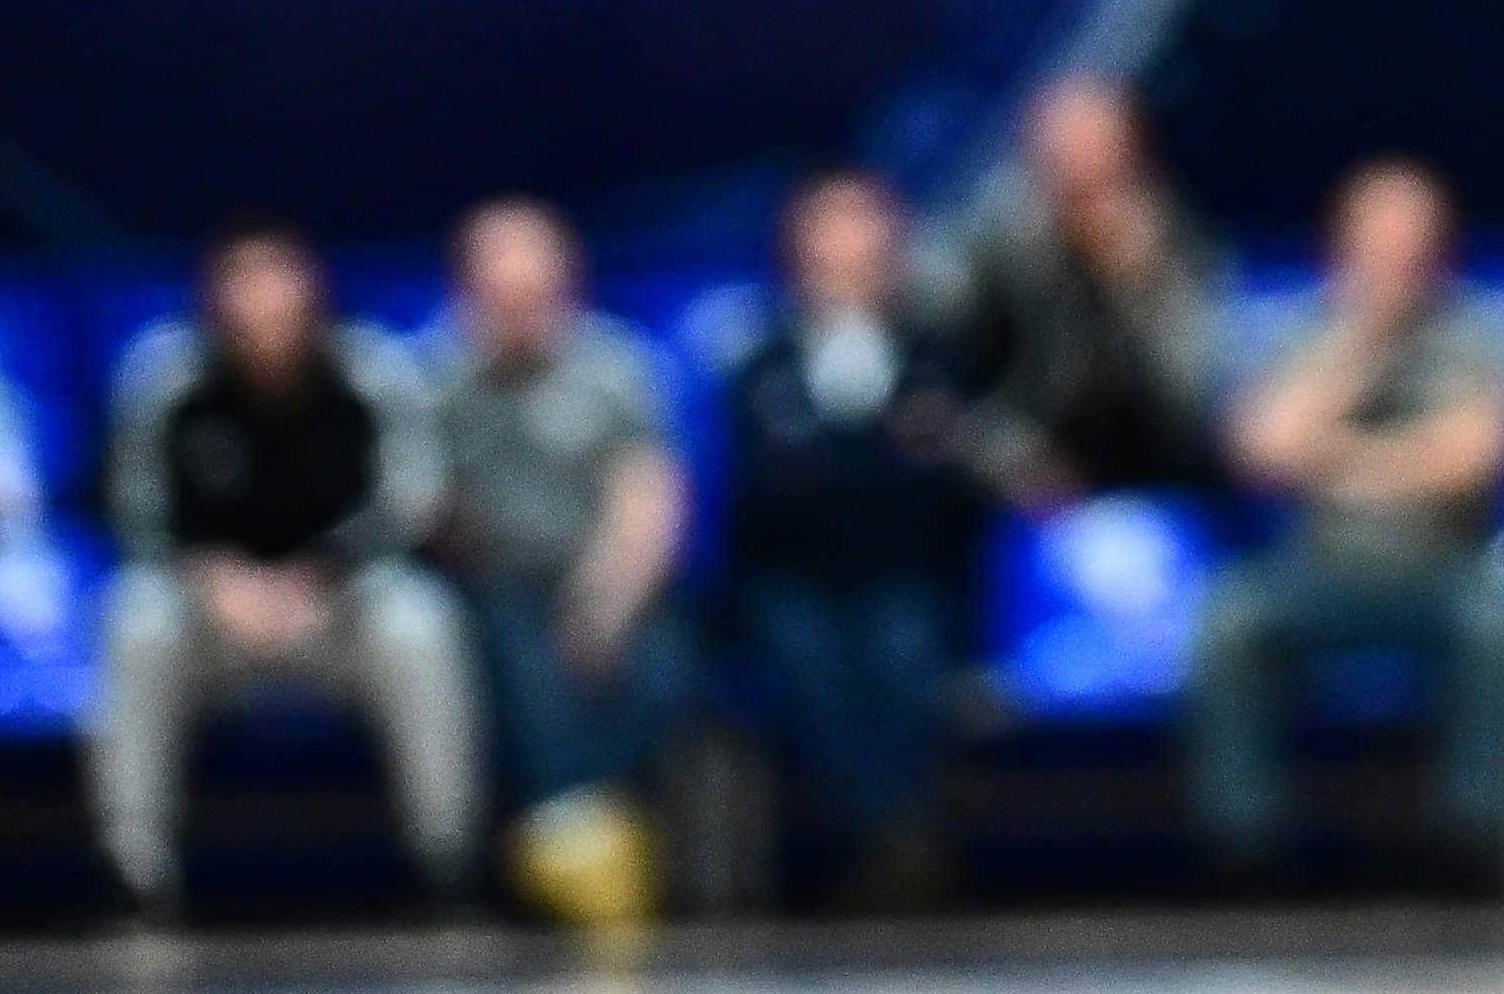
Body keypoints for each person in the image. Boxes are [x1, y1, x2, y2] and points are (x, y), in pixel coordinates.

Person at [92, 220, 482, 922]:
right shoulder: (166, 376)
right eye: (243, 279)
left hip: (337, 609)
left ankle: (445, 868)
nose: (264, 299)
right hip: (211, 616)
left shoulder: (370, 369)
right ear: (211, 298)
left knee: (420, 620)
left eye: (280, 276)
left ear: (314, 290)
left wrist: (325, 572)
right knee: (136, 618)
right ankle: (135, 879)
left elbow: (411, 499)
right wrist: (209, 575)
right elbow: (135, 511)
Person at [1192, 158, 1504, 885]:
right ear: (1340, 246)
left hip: (1445, 565)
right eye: (1376, 244)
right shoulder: (1300, 330)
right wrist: (1360, 343)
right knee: (1230, 620)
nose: (1394, 262)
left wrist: (1338, 462)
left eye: (1412, 245)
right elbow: (1260, 451)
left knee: (1501, 621)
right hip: (1317, 568)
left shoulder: (1479, 332)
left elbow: (1473, 460)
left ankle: (1469, 844)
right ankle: (1247, 851)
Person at [717, 169, 981, 910]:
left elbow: (947, 495)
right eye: (826, 233)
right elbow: (761, 502)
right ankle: (896, 839)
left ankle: (891, 844)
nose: (844, 250)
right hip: (793, 581)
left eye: (861, 230)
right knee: (811, 658)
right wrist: (876, 454)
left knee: (904, 650)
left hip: (908, 573)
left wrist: (845, 463)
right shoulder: (762, 362)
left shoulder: (934, 356)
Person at [424, 199, 691, 927]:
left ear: (565, 279)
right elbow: (432, 519)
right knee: (527, 673)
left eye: (531, 277)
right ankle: (571, 858)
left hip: (608, 576)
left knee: (660, 669)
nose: (516, 296)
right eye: (496, 281)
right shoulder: (440, 378)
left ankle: (583, 847)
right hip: (494, 586)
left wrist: (605, 602)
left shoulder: (614, 365)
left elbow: (648, 494)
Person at [929, 73, 1228, 507]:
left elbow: (1188, 386)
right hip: (1019, 477)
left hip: (1155, 469)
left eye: (1101, 141)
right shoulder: (992, 243)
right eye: (1068, 143)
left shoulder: (1170, 233)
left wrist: (1132, 286)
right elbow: (948, 379)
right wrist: (1015, 460)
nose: (1085, 160)